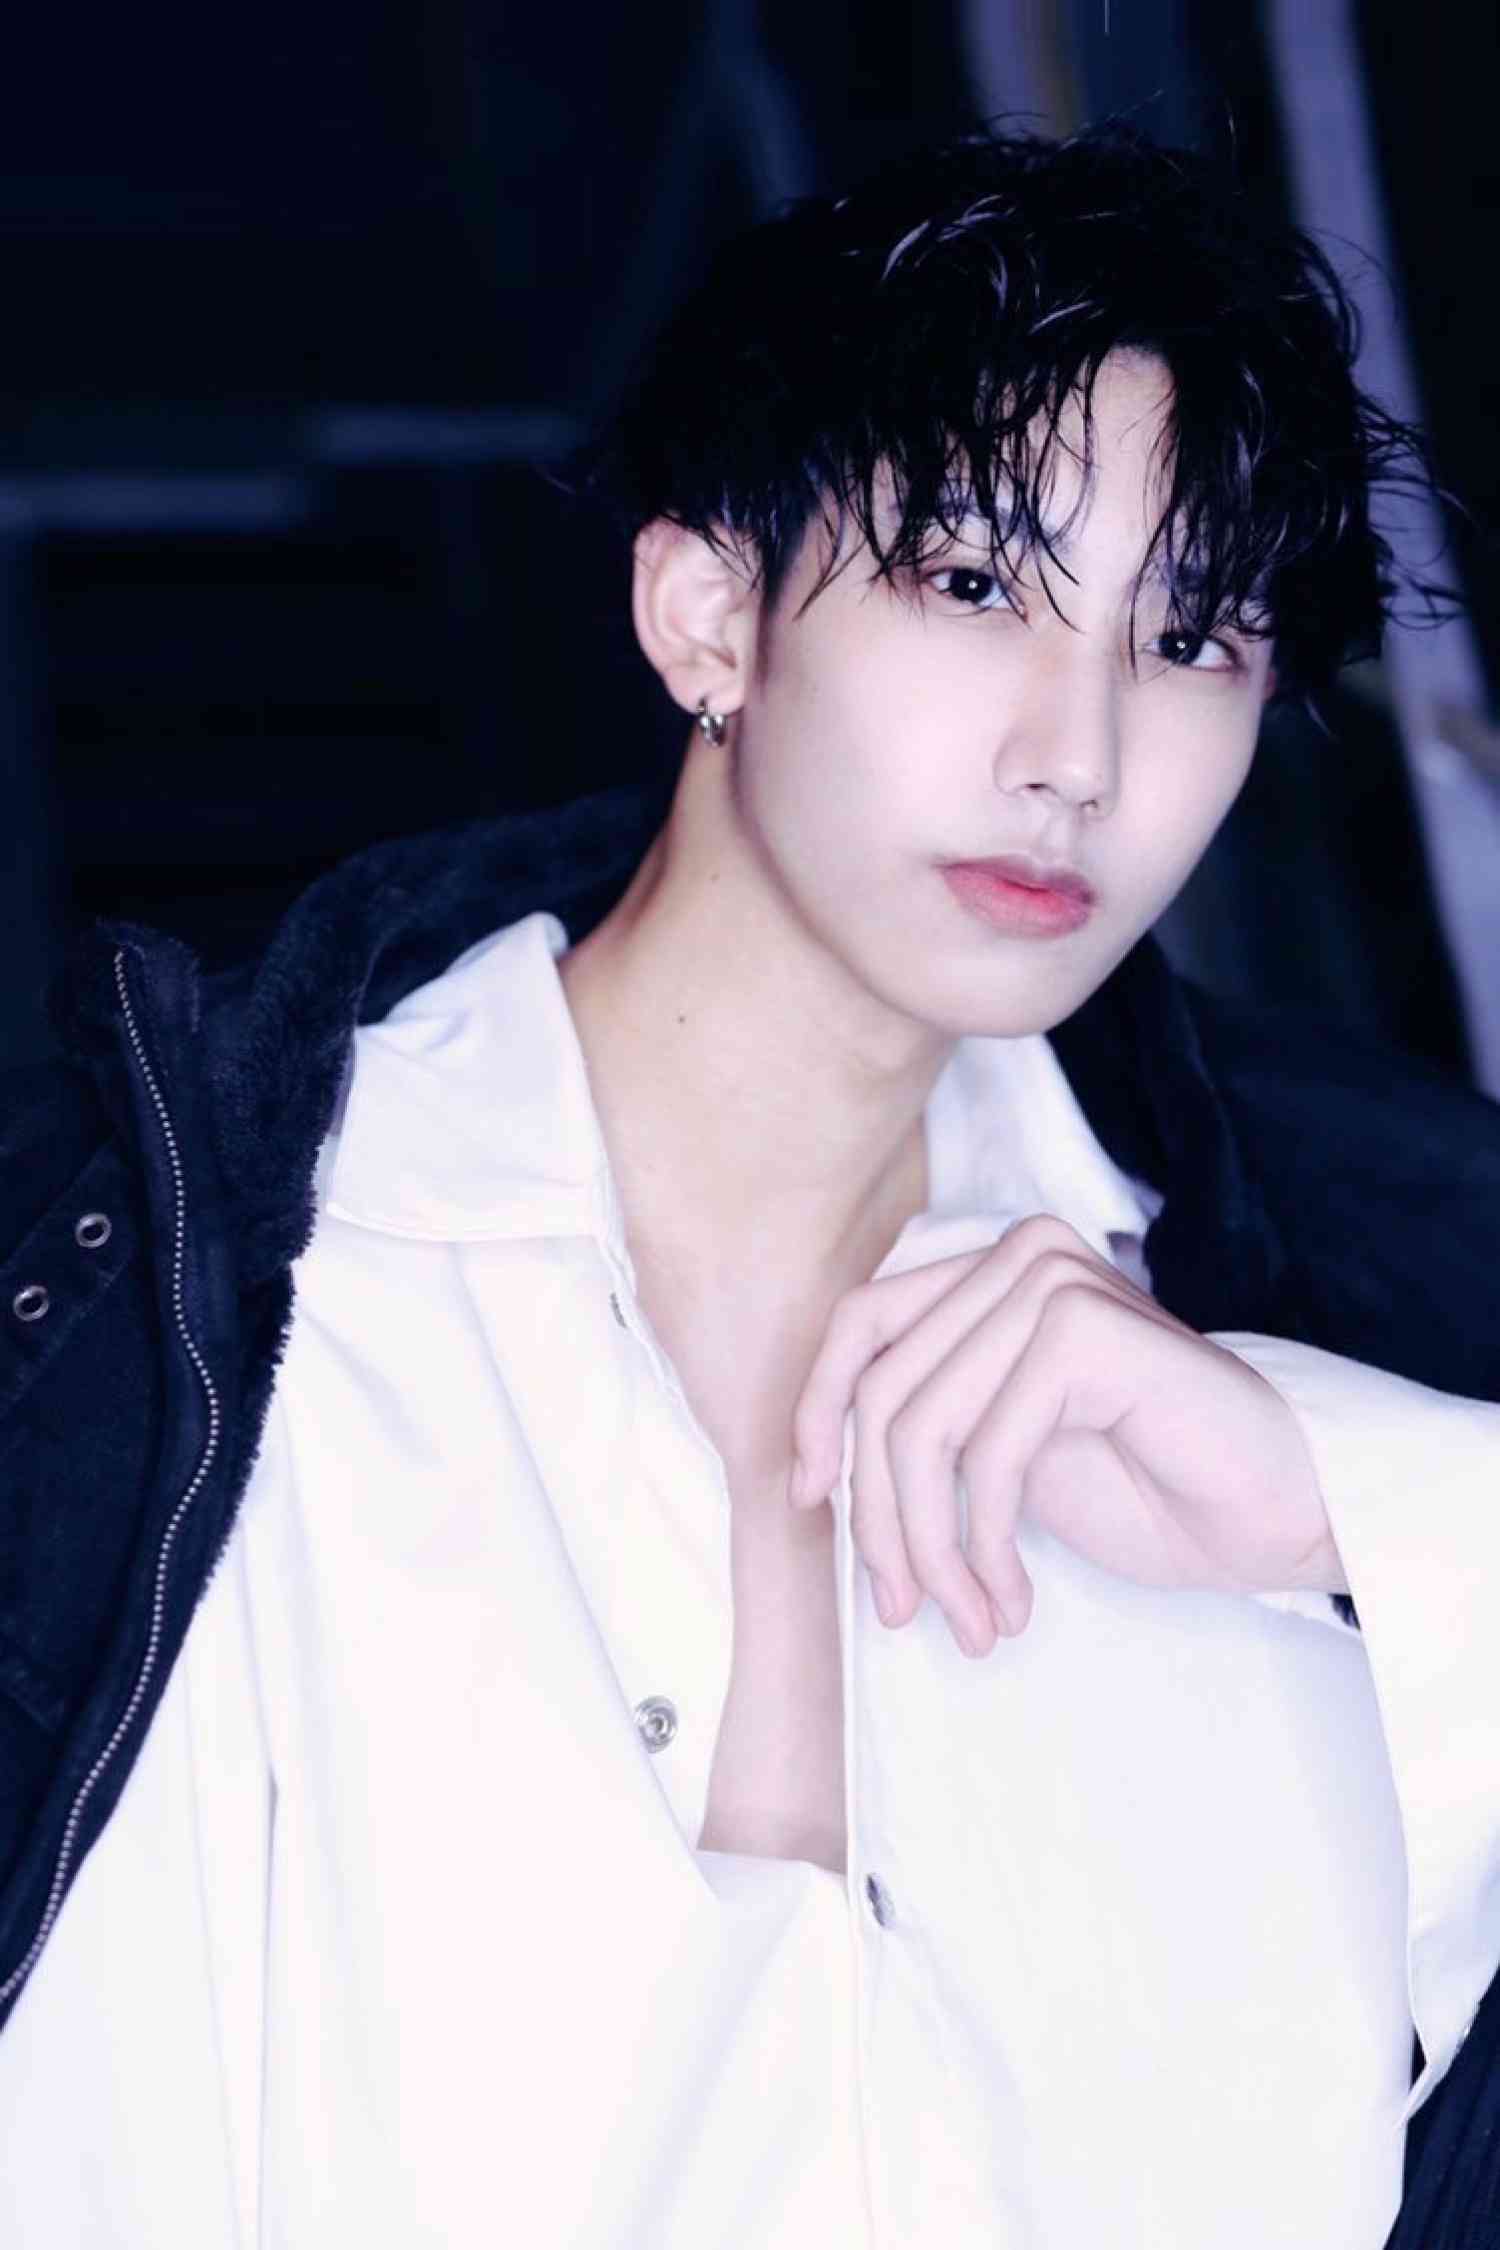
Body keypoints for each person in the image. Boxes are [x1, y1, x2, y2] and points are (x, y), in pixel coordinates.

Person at [0, 120, 1497, 2249]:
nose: (1079, 754)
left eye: (1194, 640)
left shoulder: (1314, 1292)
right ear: (709, 613)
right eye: (974, 583)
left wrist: (1345, 1500)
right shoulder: (228, 1321)